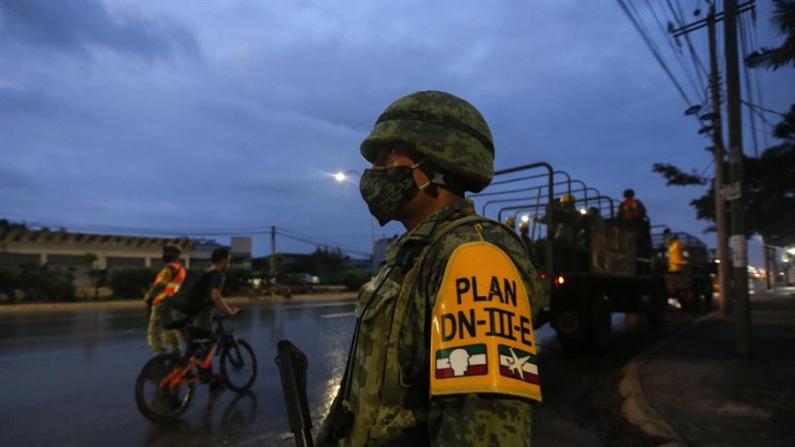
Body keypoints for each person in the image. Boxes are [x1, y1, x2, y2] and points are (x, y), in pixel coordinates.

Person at [315, 91, 544, 447]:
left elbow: (482, 431)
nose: (374, 172)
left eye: (387, 157)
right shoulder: (412, 253)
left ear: (437, 161)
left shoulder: (474, 258)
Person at [143, 244, 187, 355]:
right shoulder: (181, 269)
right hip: (171, 301)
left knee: (154, 330)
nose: (162, 255)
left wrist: (149, 296)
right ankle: (176, 349)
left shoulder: (169, 268)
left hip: (161, 301)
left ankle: (160, 354)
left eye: (164, 253)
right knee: (168, 326)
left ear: (170, 254)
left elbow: (160, 285)